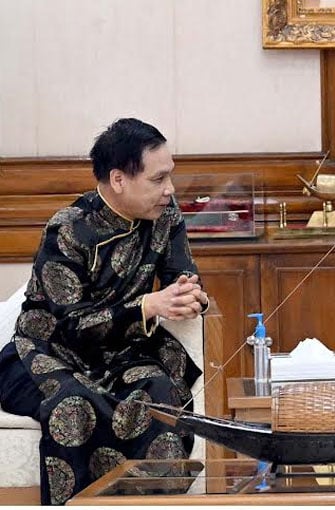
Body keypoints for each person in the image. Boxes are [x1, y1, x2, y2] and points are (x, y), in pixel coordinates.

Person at [0, 118, 209, 505]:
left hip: (121, 353)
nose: (170, 189)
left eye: (170, 176)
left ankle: (155, 504)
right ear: (118, 179)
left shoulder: (165, 215)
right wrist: (147, 305)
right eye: (158, 179)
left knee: (160, 394)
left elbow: (182, 275)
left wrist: (189, 294)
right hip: (49, 351)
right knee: (73, 404)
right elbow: (72, 324)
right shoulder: (68, 230)